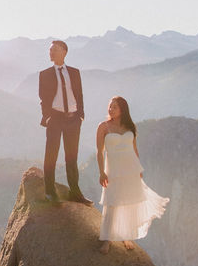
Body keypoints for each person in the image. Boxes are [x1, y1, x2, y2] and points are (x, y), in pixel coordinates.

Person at [96, 96, 169, 254]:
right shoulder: (103, 126)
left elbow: (134, 149)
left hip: (130, 169)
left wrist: (139, 169)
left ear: (123, 109)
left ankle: (126, 236)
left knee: (128, 202)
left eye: (114, 107)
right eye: (110, 107)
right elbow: (99, 153)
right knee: (112, 202)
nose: (111, 109)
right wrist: (101, 172)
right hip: (113, 170)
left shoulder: (130, 127)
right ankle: (106, 240)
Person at [38, 40, 92, 205]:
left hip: (73, 119)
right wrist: (47, 117)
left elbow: (79, 95)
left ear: (64, 52)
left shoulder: (74, 72)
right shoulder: (45, 74)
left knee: (71, 157)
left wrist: (80, 115)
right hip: (55, 118)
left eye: (54, 49)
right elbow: (43, 98)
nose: (51, 53)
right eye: (50, 50)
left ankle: (75, 193)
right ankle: (50, 192)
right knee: (51, 155)